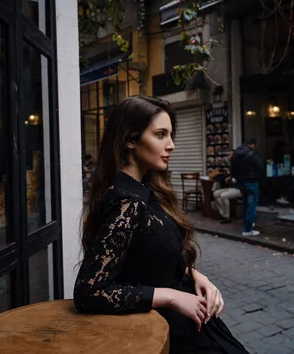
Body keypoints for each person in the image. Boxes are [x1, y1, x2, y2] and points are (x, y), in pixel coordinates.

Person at [74, 96, 247, 354]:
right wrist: (172, 296)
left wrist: (195, 276)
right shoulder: (127, 203)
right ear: (130, 140)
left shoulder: (147, 190)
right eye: (161, 134)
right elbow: (89, 291)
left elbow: (148, 257)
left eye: (171, 135)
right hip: (166, 333)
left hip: (191, 323)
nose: (172, 145)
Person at [230, 138, 263, 236]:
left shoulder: (235, 154)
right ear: (252, 145)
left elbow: (232, 168)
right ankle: (247, 229)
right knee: (251, 205)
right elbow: (260, 167)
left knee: (246, 205)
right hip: (252, 182)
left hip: (241, 183)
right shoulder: (252, 154)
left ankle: (247, 223)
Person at [212, 149, 241, 224]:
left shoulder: (238, 164)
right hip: (231, 188)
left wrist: (231, 178)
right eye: (228, 154)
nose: (228, 156)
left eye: (229, 154)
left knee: (223, 196)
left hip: (238, 188)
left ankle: (227, 217)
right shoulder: (231, 164)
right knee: (215, 194)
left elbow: (238, 177)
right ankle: (223, 214)